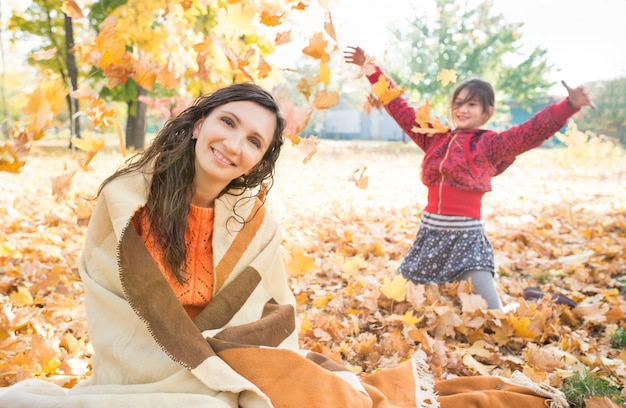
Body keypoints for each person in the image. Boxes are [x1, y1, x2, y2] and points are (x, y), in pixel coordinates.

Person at [0, 82, 569, 407]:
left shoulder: (252, 219)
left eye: (253, 141)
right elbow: (120, 303)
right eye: (226, 123)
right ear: (198, 123)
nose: (233, 144)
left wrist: (233, 353)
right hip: (149, 366)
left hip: (231, 352)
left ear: (259, 160)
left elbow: (273, 310)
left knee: (309, 390)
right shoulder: (129, 198)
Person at [344, 46, 594, 310]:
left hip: (467, 241)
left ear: (486, 112)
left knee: (494, 316)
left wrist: (569, 106)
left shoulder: (491, 144)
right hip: (430, 236)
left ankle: (540, 302)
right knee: (394, 304)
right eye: (458, 103)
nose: (462, 109)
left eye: (471, 104)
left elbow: (530, 132)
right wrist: (372, 70)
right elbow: (401, 109)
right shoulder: (435, 138)